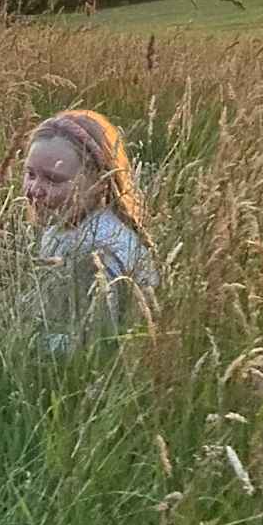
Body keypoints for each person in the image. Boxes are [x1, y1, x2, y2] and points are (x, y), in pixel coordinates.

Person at [21, 110, 156, 351]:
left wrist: (18, 339)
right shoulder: (68, 225)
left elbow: (97, 346)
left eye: (53, 180)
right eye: (31, 174)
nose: (34, 189)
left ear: (100, 183)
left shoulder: (99, 252)